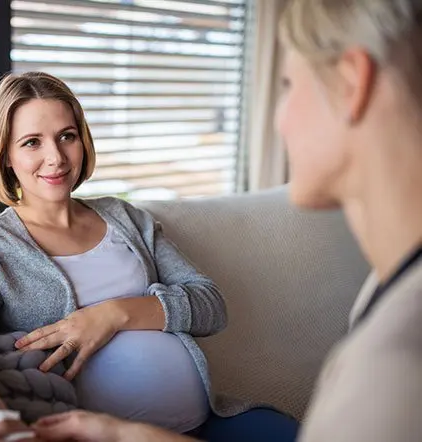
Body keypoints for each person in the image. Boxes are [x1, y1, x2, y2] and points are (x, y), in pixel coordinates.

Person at [31, 0, 422, 441]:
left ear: (352, 84)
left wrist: (118, 318)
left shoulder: (396, 362)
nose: (279, 121)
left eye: (290, 84)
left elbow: (208, 305)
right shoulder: (390, 303)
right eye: (31, 142)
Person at [0, 71, 228, 441]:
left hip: (207, 424)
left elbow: (211, 305)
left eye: (66, 137)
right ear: (6, 155)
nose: (56, 157)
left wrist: (111, 315)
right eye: (31, 143)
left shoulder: (126, 218)